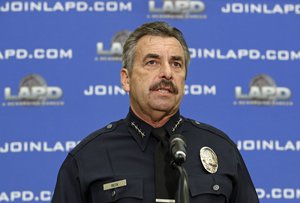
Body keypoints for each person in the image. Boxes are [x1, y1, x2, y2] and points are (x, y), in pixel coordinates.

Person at [52, 21, 259, 203]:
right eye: (152, 62)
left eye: (176, 64)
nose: (167, 73)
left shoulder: (222, 150)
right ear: (126, 79)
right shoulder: (88, 157)